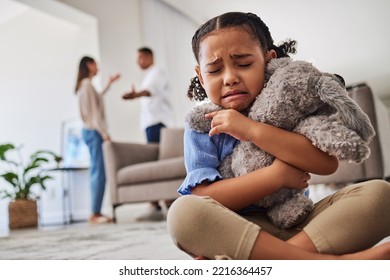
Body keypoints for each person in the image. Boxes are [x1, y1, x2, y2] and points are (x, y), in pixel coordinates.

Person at [166, 12, 390, 260]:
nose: (230, 78)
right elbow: (202, 197)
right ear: (201, 76)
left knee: (380, 195)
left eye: (243, 64)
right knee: (183, 214)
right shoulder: (201, 125)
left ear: (268, 60)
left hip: (301, 225)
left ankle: (271, 263)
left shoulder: (289, 107)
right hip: (240, 230)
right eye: (215, 70)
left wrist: (251, 130)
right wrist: (275, 176)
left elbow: (326, 165)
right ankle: (329, 264)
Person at [122, 47, 175, 221]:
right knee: (154, 158)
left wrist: (135, 94)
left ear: (149, 57)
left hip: (157, 122)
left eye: (141, 58)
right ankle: (157, 200)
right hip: (150, 123)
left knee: (158, 159)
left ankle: (162, 199)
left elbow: (149, 91)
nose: (138, 62)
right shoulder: (148, 75)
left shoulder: (157, 72)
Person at [75, 56, 120, 224]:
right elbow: (93, 112)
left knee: (98, 171)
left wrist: (108, 84)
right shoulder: (86, 85)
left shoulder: (85, 86)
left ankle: (96, 211)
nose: (97, 66)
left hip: (91, 131)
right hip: (93, 132)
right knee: (98, 172)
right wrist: (104, 132)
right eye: (95, 63)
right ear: (89, 64)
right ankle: (95, 213)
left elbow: (97, 100)